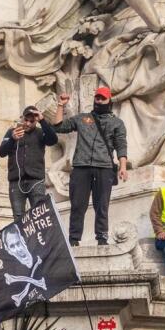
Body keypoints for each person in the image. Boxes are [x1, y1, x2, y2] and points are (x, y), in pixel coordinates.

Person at [53, 89, 128, 246]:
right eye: (97, 97)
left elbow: (121, 145)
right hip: (81, 166)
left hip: (104, 167)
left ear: (109, 101)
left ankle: (101, 238)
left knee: (102, 205)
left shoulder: (117, 123)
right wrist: (61, 105)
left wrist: (123, 167)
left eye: (102, 98)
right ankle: (74, 239)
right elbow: (59, 126)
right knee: (78, 205)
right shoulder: (83, 118)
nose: (99, 101)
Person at [0, 106, 58, 220]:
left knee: (39, 216)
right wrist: (12, 139)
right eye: (26, 120)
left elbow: (53, 140)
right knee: (18, 217)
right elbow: (1, 152)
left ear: (36, 122)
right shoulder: (12, 132)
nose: (28, 124)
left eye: (32, 121)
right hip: (16, 181)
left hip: (36, 180)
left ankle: (38, 238)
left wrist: (42, 120)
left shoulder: (40, 132)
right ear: (22, 118)